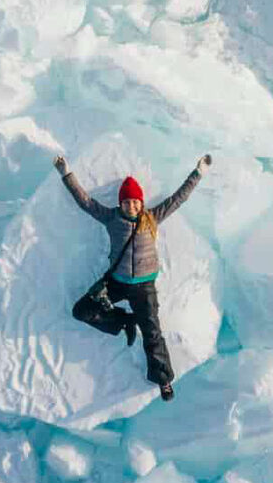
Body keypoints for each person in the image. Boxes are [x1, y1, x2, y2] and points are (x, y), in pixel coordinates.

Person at [53, 153, 211, 401]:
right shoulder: (111, 218)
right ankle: (124, 321)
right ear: (121, 204)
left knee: (152, 333)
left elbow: (178, 199)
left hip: (143, 287)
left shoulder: (152, 218)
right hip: (116, 282)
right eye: (127, 202)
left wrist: (198, 173)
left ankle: (164, 380)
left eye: (135, 201)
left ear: (141, 202)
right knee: (82, 310)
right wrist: (66, 174)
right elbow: (85, 202)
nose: (132, 206)